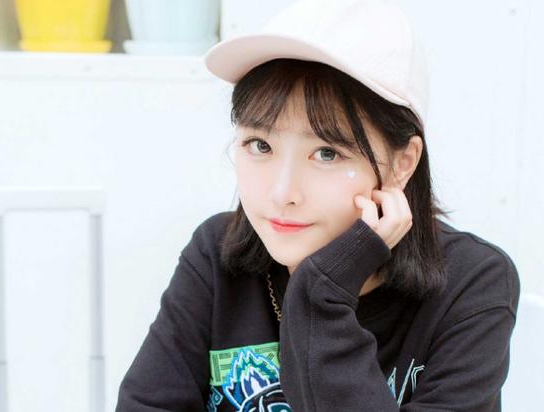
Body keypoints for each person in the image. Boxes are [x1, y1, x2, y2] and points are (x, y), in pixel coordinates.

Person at [115, 0, 520, 410]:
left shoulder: (471, 284)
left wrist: (322, 293)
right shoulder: (216, 255)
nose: (281, 193)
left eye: (327, 153)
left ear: (403, 163)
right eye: (260, 145)